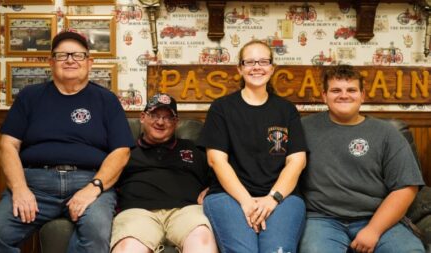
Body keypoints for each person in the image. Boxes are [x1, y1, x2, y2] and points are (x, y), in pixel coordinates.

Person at [0, 29, 133, 253]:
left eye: (78, 55)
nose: (70, 60)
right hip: (35, 184)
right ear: (51, 62)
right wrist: (20, 188)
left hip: (89, 181)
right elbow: (7, 145)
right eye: (62, 55)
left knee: (97, 231)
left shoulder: (106, 100)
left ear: (89, 63)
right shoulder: (29, 96)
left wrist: (94, 187)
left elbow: (121, 152)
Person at [299, 64, 425, 253]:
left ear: (362, 95)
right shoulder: (302, 128)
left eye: (351, 90)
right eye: (335, 90)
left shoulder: (387, 133)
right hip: (321, 218)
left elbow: (406, 188)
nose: (344, 95)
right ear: (324, 96)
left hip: (376, 217)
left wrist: (374, 230)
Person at [198, 40, 308, 253]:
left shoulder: (287, 110)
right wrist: (246, 201)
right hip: (228, 196)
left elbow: (297, 161)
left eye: (263, 61)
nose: (257, 66)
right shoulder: (221, 108)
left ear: (272, 68)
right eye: (249, 62)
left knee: (277, 250)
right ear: (240, 68)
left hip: (282, 197)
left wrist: (272, 199)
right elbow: (216, 160)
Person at [110, 93, 218, 253]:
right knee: (128, 248)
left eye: (168, 118)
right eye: (154, 115)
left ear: (176, 122)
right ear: (142, 117)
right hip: (138, 213)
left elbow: (219, 173)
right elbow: (105, 179)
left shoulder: (193, 148)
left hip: (186, 212)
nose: (160, 122)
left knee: (202, 241)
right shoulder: (125, 151)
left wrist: (212, 188)